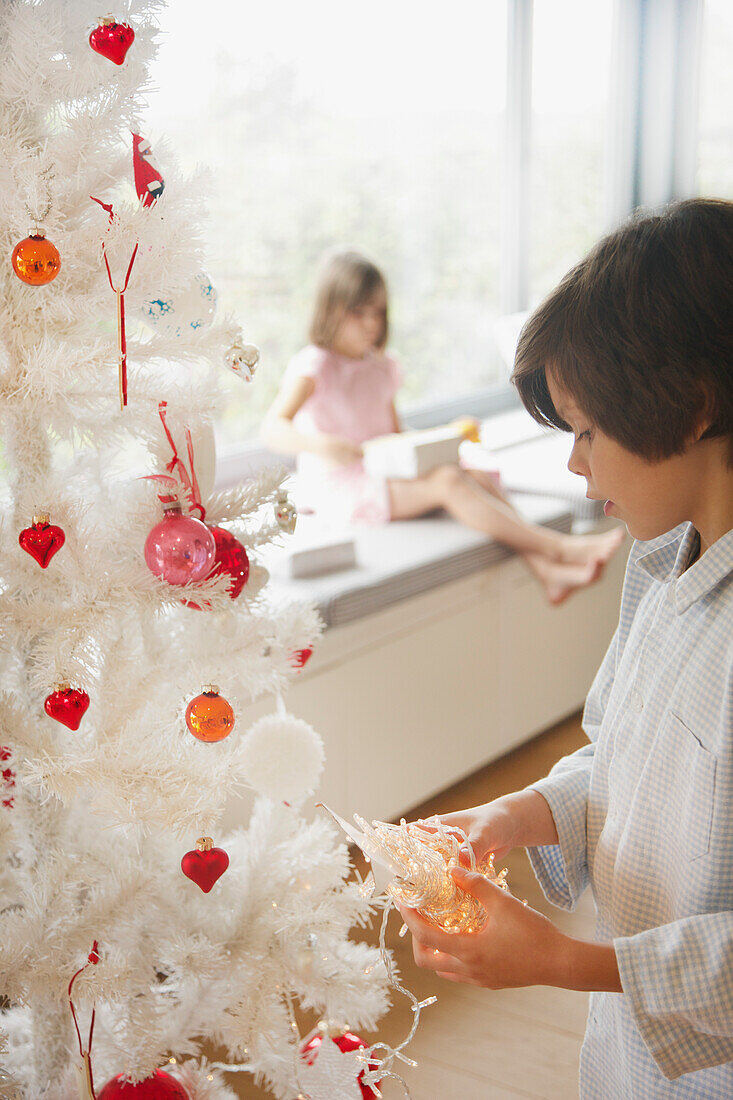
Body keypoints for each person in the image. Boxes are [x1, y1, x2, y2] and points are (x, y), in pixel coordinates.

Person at [397, 198, 733, 1098]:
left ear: (689, 407)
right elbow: (622, 760)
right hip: (626, 1055)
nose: (576, 468)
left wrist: (565, 961)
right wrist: (515, 815)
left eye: (586, 430)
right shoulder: (660, 567)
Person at [262, 249, 624, 605]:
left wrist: (447, 436)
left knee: (475, 475)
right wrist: (323, 445)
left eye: (378, 312)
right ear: (331, 310)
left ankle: (545, 570)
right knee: (448, 481)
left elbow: (394, 437)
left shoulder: (381, 367)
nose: (372, 323)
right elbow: (272, 429)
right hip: (340, 486)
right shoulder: (315, 365)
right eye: (359, 312)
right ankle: (558, 547)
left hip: (381, 472)